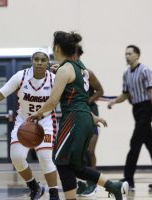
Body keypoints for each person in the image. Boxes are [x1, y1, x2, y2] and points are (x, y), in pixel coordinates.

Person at [28, 31, 128, 200]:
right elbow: (80, 96)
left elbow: (53, 101)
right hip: (85, 117)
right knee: (75, 165)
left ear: (57, 48)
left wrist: (37, 114)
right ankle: (113, 186)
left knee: (60, 160)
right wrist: (93, 117)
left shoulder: (65, 69)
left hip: (74, 118)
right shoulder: (81, 68)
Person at [0, 49, 60, 200]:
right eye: (37, 59)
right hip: (24, 121)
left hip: (45, 121)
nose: (40, 63)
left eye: (43, 60)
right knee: (16, 157)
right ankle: (35, 187)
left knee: (44, 156)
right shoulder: (21, 76)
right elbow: (0, 94)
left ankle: (54, 195)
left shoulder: (54, 79)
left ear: (48, 62)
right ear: (32, 61)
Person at [108, 45, 152, 190]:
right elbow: (126, 94)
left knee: (134, 144)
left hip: (146, 109)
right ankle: (129, 179)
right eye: (125, 53)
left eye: (130, 53)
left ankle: (129, 179)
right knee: (150, 144)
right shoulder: (126, 73)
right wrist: (114, 101)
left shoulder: (145, 70)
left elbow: (151, 92)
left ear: (137, 55)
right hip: (137, 110)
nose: (127, 56)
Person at [75, 46, 104, 197]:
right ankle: (81, 181)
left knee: (90, 150)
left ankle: (93, 183)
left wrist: (88, 101)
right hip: (76, 115)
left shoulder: (88, 73)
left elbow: (100, 90)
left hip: (91, 113)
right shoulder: (66, 72)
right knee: (78, 152)